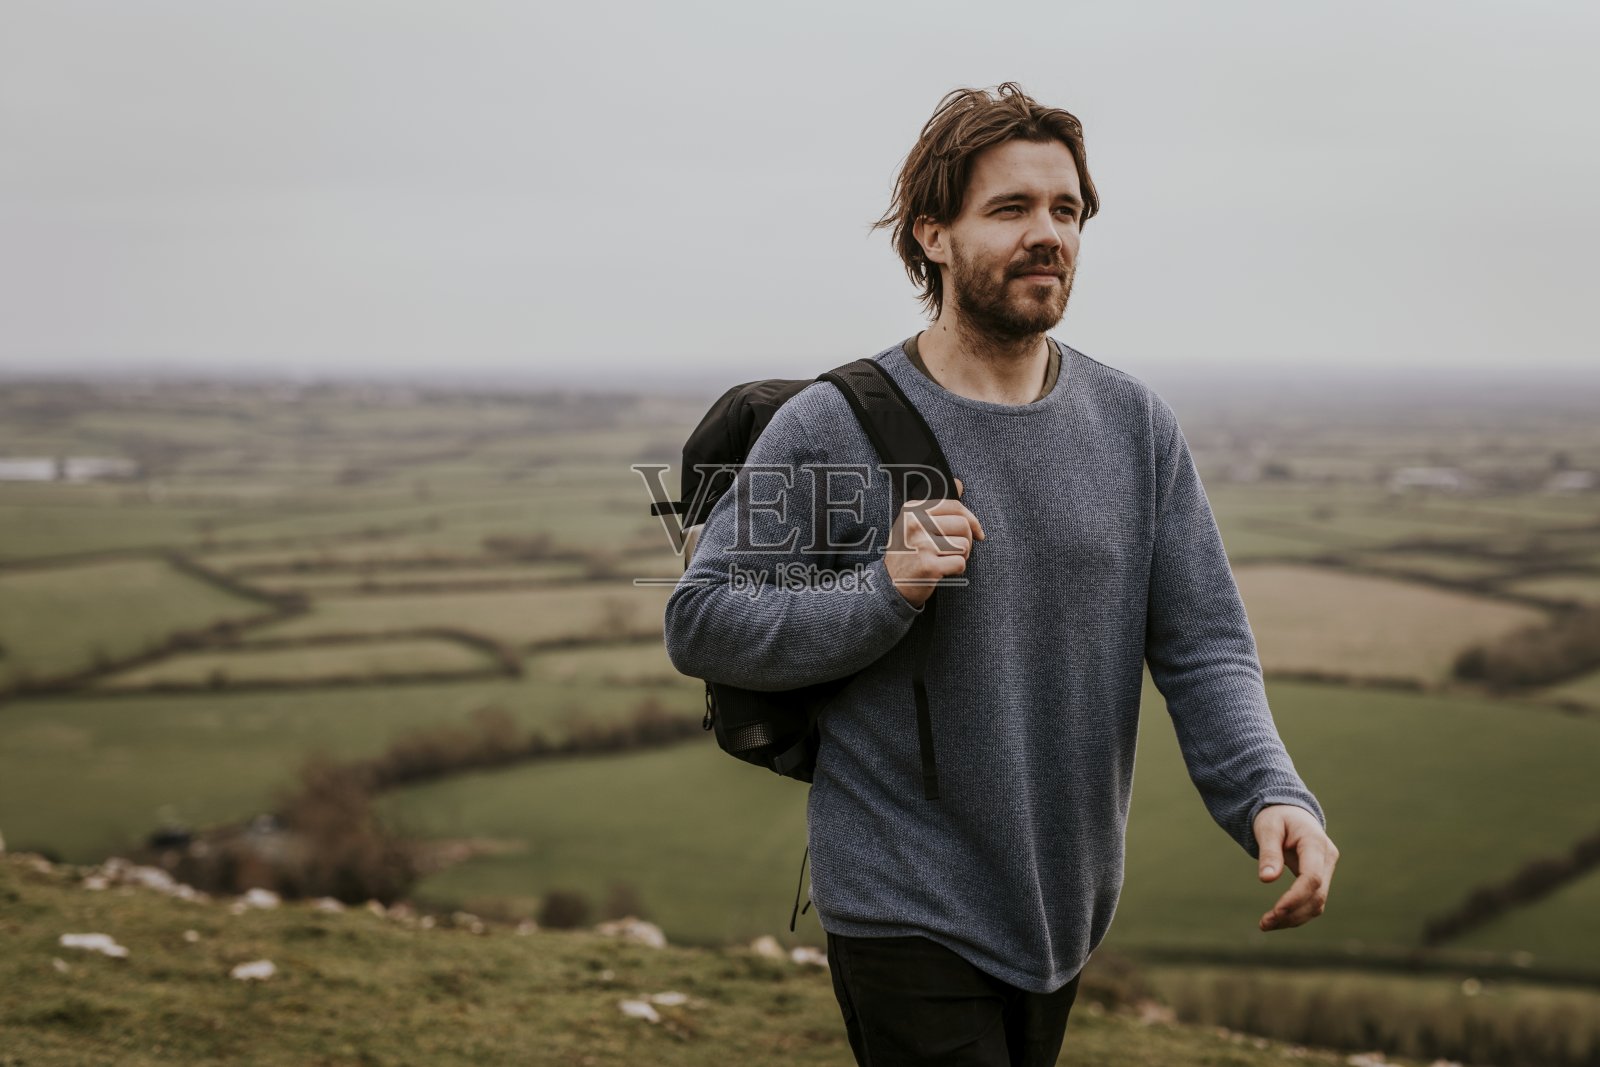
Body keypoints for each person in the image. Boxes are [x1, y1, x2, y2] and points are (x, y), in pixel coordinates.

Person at [663, 82, 1339, 1067]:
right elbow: (702, 619)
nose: (1048, 234)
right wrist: (882, 586)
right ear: (930, 234)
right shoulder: (825, 425)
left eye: (1065, 210)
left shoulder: (1133, 425)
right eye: (1011, 208)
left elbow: (1203, 645)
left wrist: (1269, 792)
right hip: (901, 894)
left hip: (1061, 905)